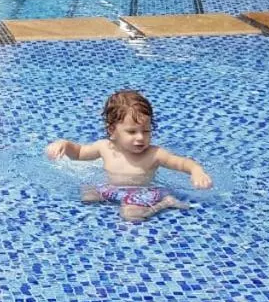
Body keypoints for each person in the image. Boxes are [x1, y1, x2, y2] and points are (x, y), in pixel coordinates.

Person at [44, 89, 213, 221]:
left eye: (146, 131)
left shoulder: (154, 154)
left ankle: (165, 202)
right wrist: (64, 144)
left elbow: (182, 163)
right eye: (132, 132)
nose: (140, 137)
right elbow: (79, 153)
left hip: (143, 193)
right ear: (112, 130)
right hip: (113, 190)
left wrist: (196, 171)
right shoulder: (104, 147)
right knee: (88, 195)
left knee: (129, 215)